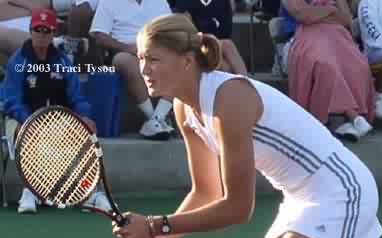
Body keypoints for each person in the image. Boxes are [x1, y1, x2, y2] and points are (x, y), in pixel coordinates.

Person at [112, 14, 382, 238]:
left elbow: (238, 209)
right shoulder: (184, 108)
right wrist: (163, 237)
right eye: (141, 58)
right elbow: (206, 191)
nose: (144, 69)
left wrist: (156, 225)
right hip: (298, 198)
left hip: (340, 191)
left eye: (154, 59)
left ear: (187, 61)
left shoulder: (229, 98)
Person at [3, 8, 110, 214]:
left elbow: (77, 97)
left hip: (58, 120)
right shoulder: (18, 62)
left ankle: (90, 193)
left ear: (53, 34)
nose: (41, 35)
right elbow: (11, 100)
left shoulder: (63, 62)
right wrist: (29, 120)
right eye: (37, 29)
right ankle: (31, 189)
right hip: (23, 120)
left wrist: (84, 116)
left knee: (87, 132)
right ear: (31, 30)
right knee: (22, 131)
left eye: (47, 31)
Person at [286, 0, 376, 142]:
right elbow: (301, 15)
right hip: (308, 36)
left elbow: (346, 19)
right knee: (326, 66)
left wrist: (315, 13)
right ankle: (351, 116)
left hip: (337, 36)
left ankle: (344, 122)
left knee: (358, 66)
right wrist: (330, 9)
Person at [89, 0, 174, 140]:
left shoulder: (160, 2)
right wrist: (127, 48)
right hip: (125, 52)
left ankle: (156, 119)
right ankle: (155, 118)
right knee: (124, 60)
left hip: (158, 52)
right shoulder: (109, 2)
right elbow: (99, 35)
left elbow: (171, 31)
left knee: (179, 62)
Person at [173, 0, 247, 75]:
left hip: (212, 45)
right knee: (225, 65)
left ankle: (246, 82)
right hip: (198, 45)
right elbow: (188, 30)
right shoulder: (184, 3)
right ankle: (246, 82)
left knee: (227, 46)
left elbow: (225, 30)